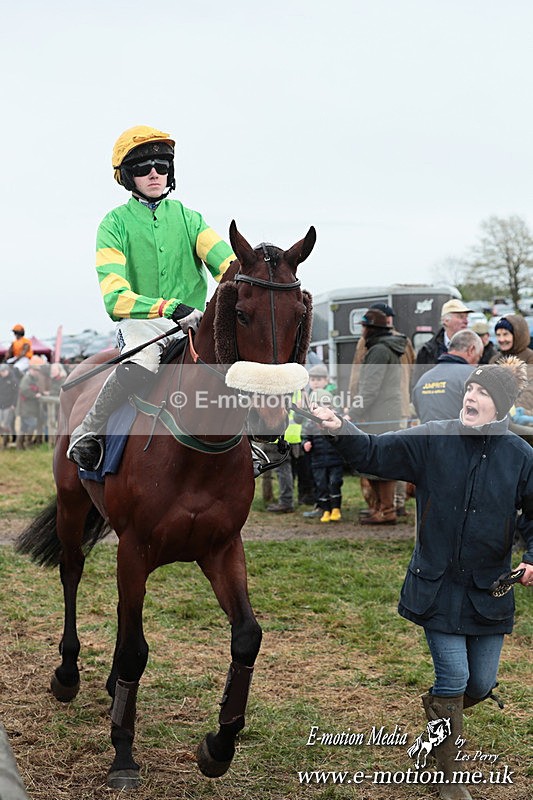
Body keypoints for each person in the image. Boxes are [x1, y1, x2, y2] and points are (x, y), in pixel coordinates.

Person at [313, 358, 533, 800]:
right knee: (453, 678)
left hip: (489, 590)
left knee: (480, 683)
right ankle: (448, 778)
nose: (471, 397)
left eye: (483, 393)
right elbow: (374, 452)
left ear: (502, 405)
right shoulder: (434, 438)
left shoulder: (521, 456)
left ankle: (436, 731)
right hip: (437, 584)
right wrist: (340, 427)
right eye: (470, 389)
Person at [67, 125, 235, 470]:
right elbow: (115, 298)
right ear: (128, 176)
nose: (155, 173)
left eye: (162, 166)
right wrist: (169, 308)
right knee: (141, 366)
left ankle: (258, 441)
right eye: (143, 168)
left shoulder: (191, 219)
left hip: (194, 323)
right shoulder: (113, 224)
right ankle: (88, 430)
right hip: (142, 325)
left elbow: (229, 269)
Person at [349, 301, 415, 518]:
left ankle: (386, 510)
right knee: (378, 459)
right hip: (387, 411)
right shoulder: (387, 346)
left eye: (364, 327)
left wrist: (353, 413)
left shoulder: (378, 350)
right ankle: (380, 508)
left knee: (380, 461)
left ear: (371, 328)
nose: (362, 331)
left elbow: (369, 389)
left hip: (380, 413)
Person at [412, 329, 483, 423]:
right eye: (478, 358)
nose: (477, 365)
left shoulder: (422, 381)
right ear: (471, 350)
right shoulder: (474, 377)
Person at [301, 367, 344, 522]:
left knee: (335, 483)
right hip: (318, 459)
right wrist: (306, 442)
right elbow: (305, 434)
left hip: (334, 459)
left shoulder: (336, 421)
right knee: (321, 484)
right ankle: (325, 509)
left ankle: (336, 508)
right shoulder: (311, 422)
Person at [412, 299, 473, 386]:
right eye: (461, 317)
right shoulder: (427, 351)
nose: (466, 321)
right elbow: (418, 384)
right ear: (446, 321)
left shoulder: (474, 348)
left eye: (466, 317)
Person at [16, 356, 46, 448]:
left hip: (30, 407)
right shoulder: (27, 379)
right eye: (35, 370)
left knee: (25, 426)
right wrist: (35, 395)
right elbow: (24, 390)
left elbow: (36, 388)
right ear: (31, 370)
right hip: (26, 407)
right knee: (31, 425)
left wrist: (41, 393)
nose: (37, 372)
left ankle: (20, 445)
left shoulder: (33, 379)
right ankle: (26, 444)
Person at [0, 364, 19, 446]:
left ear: (7, 371)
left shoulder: (13, 380)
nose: (2, 373)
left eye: (3, 371)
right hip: (1, 405)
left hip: (9, 406)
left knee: (7, 424)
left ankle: (7, 441)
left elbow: (16, 394)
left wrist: (14, 404)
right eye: (1, 372)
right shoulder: (1, 379)